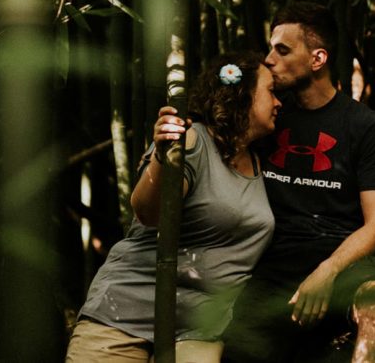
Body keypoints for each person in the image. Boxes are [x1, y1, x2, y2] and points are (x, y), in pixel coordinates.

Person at [156, 2, 375, 363]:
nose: (269, 59)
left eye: (282, 50)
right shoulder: (264, 113)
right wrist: (174, 126)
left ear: (317, 59)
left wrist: (328, 269)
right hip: (274, 259)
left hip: (342, 258)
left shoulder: (365, 125)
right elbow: (216, 103)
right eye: (270, 48)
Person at [66, 51, 281, 363]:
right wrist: (162, 156)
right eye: (271, 91)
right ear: (242, 93)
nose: (279, 103)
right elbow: (148, 213)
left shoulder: (265, 163)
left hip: (199, 330)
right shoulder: (190, 142)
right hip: (123, 313)